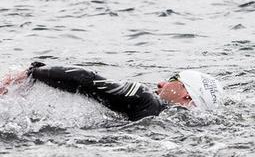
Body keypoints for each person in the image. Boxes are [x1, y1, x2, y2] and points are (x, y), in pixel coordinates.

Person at [0, 62, 223, 121]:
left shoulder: (144, 99)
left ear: (187, 94)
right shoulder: (173, 119)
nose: (161, 83)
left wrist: (32, 71)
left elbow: (86, 79)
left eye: (174, 79)